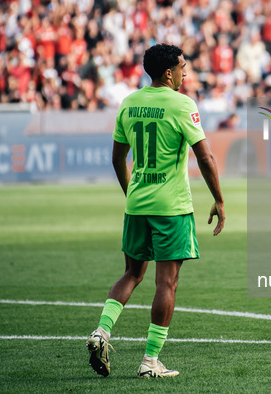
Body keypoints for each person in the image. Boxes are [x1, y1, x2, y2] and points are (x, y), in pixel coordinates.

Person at [86, 43, 226, 378]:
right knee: (167, 282)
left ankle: (101, 332)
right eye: (182, 65)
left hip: (137, 205)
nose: (185, 71)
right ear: (168, 72)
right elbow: (205, 157)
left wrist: (131, 192)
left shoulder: (129, 103)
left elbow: (117, 158)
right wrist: (219, 199)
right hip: (171, 207)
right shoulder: (182, 104)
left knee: (132, 274)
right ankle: (150, 362)